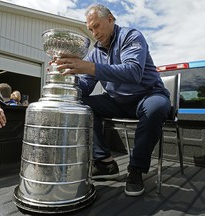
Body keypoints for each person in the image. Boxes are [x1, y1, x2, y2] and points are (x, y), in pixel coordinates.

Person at [52, 4, 171, 197]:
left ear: (110, 19)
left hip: (149, 95)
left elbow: (133, 72)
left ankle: (136, 170)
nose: (94, 33)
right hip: (118, 102)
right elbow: (86, 87)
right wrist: (68, 74)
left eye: (97, 26)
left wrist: (88, 67)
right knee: (82, 104)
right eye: (90, 29)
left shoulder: (131, 36)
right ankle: (105, 162)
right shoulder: (95, 53)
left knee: (155, 109)